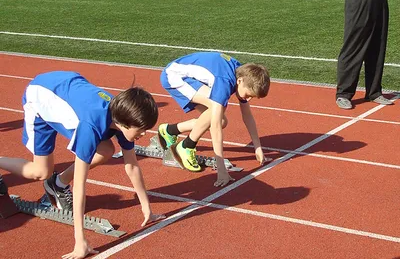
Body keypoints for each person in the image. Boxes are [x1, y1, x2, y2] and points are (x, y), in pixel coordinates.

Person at [0, 71, 165, 259]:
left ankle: (58, 184)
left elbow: (132, 166)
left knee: (106, 150)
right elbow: (80, 184)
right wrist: (80, 241)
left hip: (67, 86)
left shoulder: (124, 114)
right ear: (124, 124)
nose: (143, 134)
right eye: (141, 130)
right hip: (40, 96)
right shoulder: (90, 127)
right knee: (40, 171)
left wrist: (147, 208)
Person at [157, 51, 271, 188]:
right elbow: (215, 128)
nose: (248, 99)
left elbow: (247, 116)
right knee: (216, 112)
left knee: (222, 120)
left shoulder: (243, 75)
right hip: (174, 76)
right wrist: (221, 168)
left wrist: (257, 147)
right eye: (248, 95)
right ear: (240, 81)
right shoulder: (225, 81)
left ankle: (169, 130)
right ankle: (186, 146)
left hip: (190, 77)